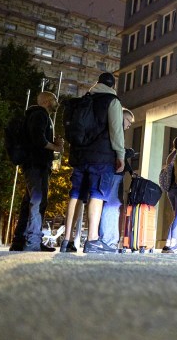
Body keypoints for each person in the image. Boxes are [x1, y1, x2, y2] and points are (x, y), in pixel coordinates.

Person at [62, 72, 125, 253]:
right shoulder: (112, 101)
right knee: (97, 194)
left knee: (76, 194)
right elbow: (116, 131)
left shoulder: (84, 100)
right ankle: (92, 240)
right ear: (113, 86)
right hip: (101, 157)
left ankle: (67, 240)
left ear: (97, 83)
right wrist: (120, 155)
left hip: (79, 155)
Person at [9, 92, 64, 252]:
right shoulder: (40, 115)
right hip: (37, 164)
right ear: (46, 101)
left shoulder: (36, 116)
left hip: (33, 164)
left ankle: (19, 241)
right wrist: (55, 147)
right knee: (38, 201)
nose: (57, 102)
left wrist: (54, 144)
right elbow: (38, 139)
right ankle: (33, 241)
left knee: (28, 202)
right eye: (54, 99)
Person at [98, 108, 135, 249]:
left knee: (111, 204)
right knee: (112, 204)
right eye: (128, 121)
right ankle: (109, 240)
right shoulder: (115, 131)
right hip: (114, 173)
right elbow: (117, 152)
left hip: (112, 172)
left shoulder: (110, 130)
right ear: (122, 118)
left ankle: (109, 239)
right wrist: (128, 153)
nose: (129, 125)